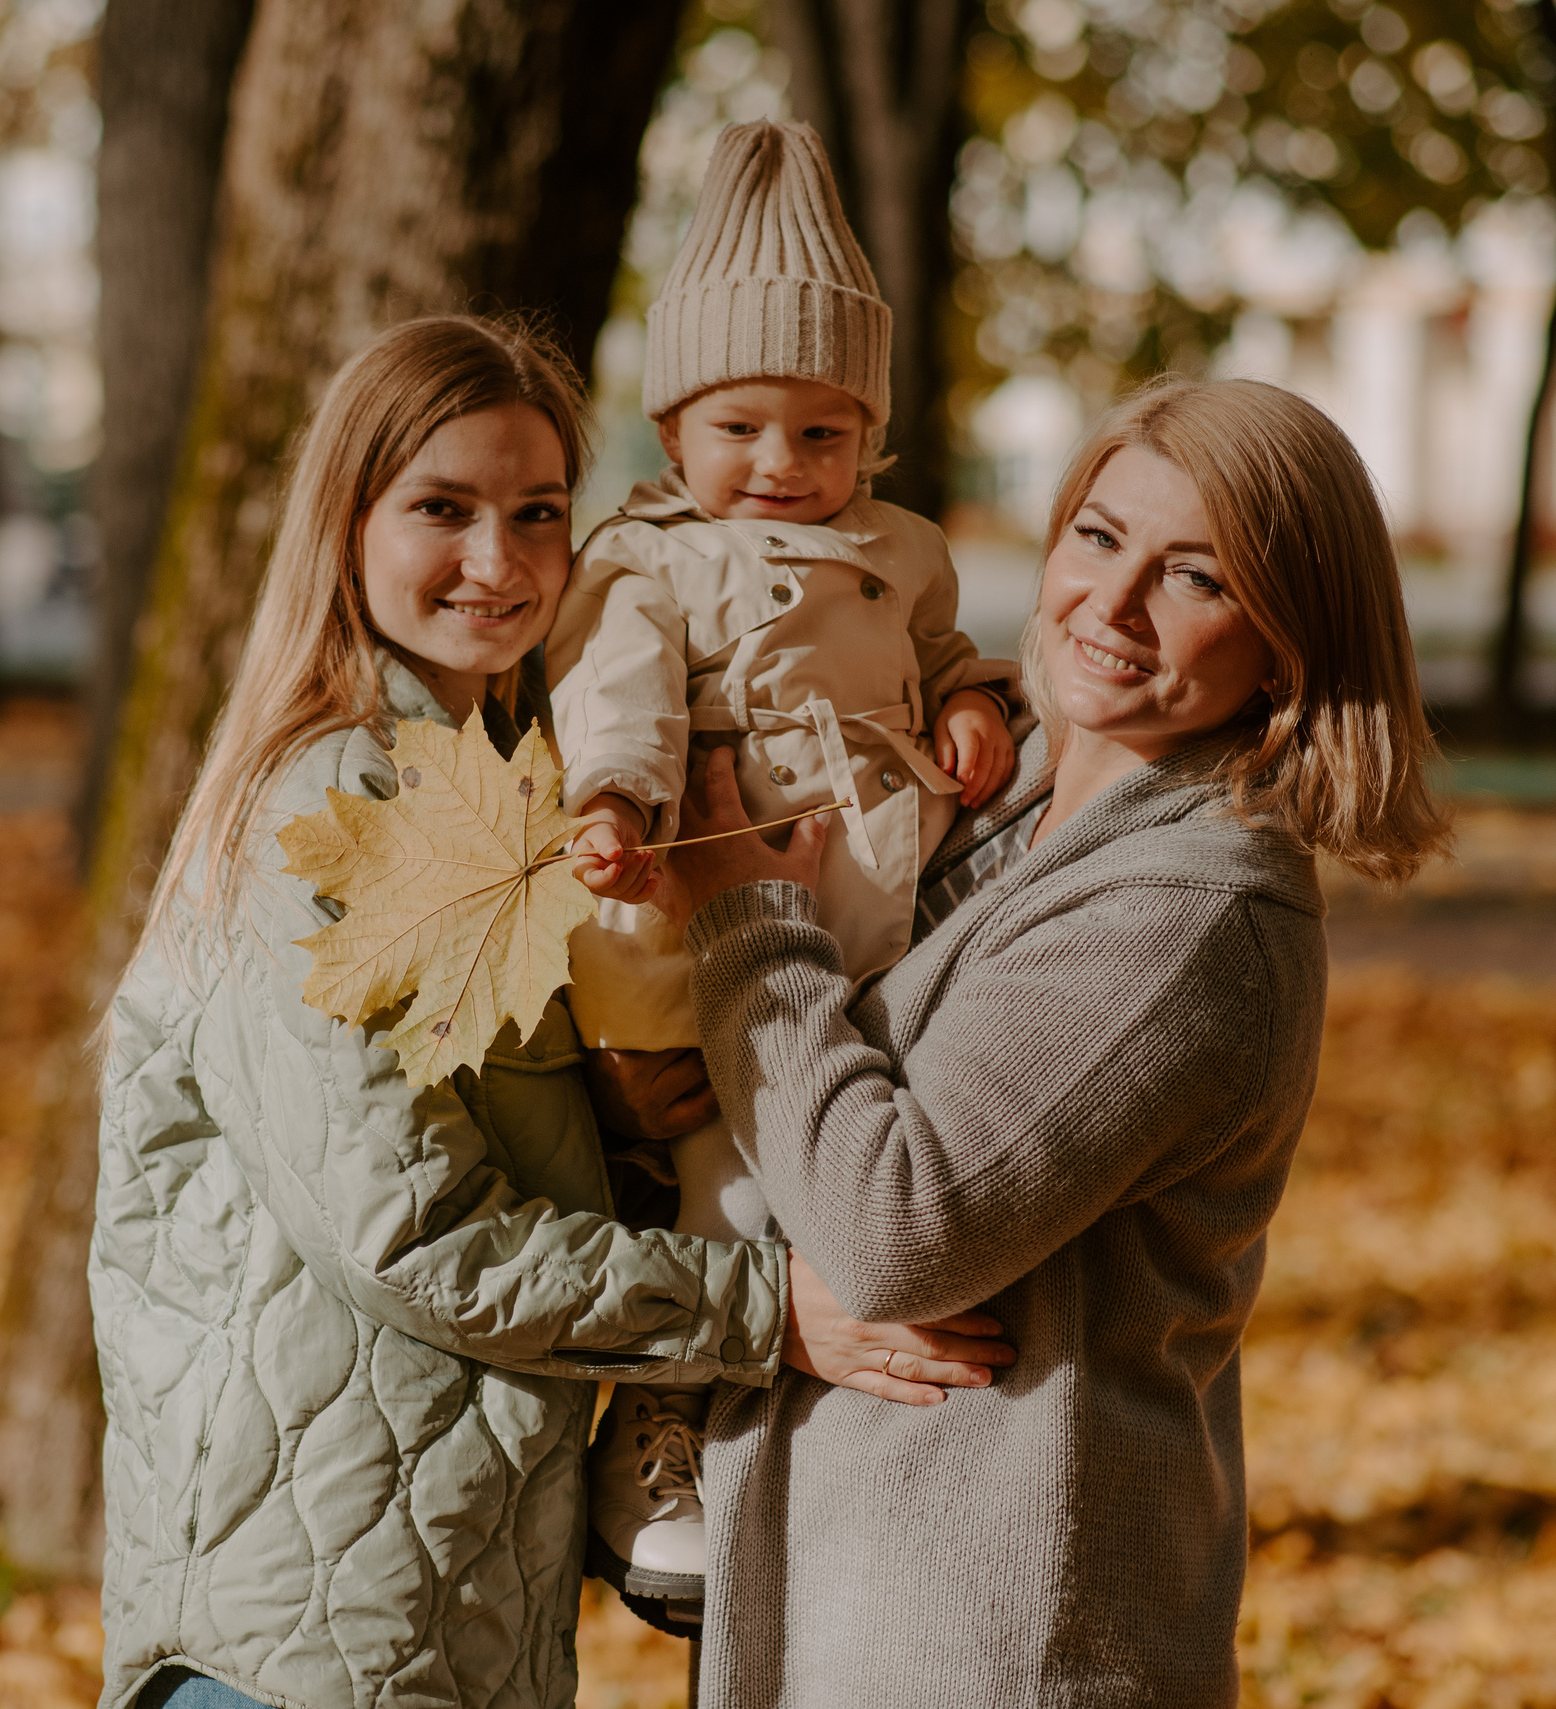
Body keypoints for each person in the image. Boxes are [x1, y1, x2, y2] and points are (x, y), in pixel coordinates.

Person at [87, 314, 1014, 1709]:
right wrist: (771, 1308)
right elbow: (418, 1235)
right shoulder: (326, 813)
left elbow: (448, 1142)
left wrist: (615, 1110)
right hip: (302, 1637)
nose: (501, 561)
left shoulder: (499, 790)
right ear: (346, 522)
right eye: (442, 510)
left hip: (447, 1605)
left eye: (537, 513)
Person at [664, 377, 1452, 1707]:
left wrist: (745, 929)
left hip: (1001, 1641)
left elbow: (895, 1227)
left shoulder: (1193, 911)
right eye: (1100, 537)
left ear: (1286, 642)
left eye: (1194, 578)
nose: (1116, 604)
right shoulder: (987, 803)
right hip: (852, 1602)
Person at [545, 117, 1017, 1598]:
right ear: (674, 427)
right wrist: (616, 802)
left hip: (869, 918)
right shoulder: (646, 562)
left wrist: (971, 704)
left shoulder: (907, 547)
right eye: (740, 426)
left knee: (854, 1168)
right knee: (728, 1186)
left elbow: (947, 652)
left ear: (869, 434)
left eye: (823, 430)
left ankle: (825, 1438)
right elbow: (612, 697)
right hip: (693, 910)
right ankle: (659, 1436)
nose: (782, 463)